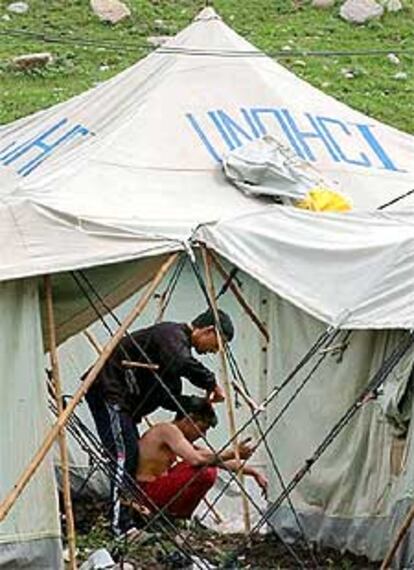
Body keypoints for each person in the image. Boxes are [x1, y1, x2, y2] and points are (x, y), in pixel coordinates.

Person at [84, 309, 234, 534]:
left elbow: (168, 397)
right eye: (216, 344)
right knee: (123, 458)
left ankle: (129, 519)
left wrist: (196, 405)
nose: (213, 351)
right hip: (109, 394)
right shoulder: (171, 335)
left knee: (131, 457)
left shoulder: (172, 354)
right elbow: (182, 362)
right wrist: (211, 383)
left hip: (124, 408)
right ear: (208, 330)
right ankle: (120, 527)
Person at [136, 397, 268, 520]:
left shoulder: (178, 440)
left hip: (154, 491)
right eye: (202, 429)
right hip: (146, 492)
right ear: (189, 419)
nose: (203, 435)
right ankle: (177, 518)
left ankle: (174, 518)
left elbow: (218, 459)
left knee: (209, 463)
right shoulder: (166, 430)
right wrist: (233, 452)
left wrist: (253, 472)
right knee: (206, 471)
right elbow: (197, 459)